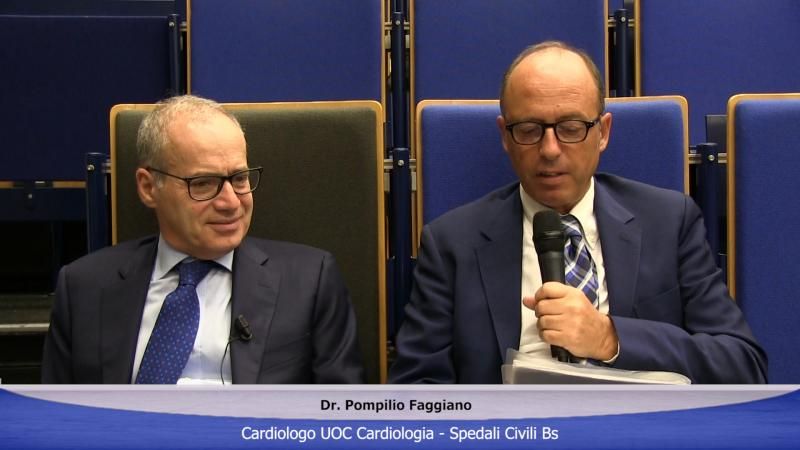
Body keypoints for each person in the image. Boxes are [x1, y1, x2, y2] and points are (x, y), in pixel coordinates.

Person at [389, 41, 767, 384]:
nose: (550, 150)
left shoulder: (669, 222)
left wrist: (610, 338)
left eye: (571, 128)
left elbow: (742, 365)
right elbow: (416, 391)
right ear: (505, 136)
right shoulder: (451, 243)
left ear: (603, 132)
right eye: (529, 130)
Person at [42, 95, 364, 384]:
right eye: (204, 183)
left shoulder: (310, 282)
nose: (231, 202)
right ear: (148, 187)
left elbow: (339, 414)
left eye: (239, 178)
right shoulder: (84, 288)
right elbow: (54, 417)